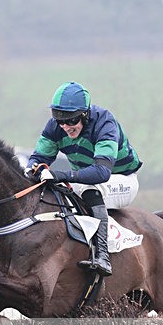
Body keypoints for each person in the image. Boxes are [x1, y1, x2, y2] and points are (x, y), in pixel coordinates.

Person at [24, 81, 142, 277]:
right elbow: (38, 158)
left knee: (91, 190)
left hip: (121, 179)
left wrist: (59, 174)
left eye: (71, 121)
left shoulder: (104, 123)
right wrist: (32, 170)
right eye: (60, 121)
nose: (65, 127)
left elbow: (102, 173)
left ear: (85, 114)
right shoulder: (56, 126)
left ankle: (102, 256)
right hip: (84, 178)